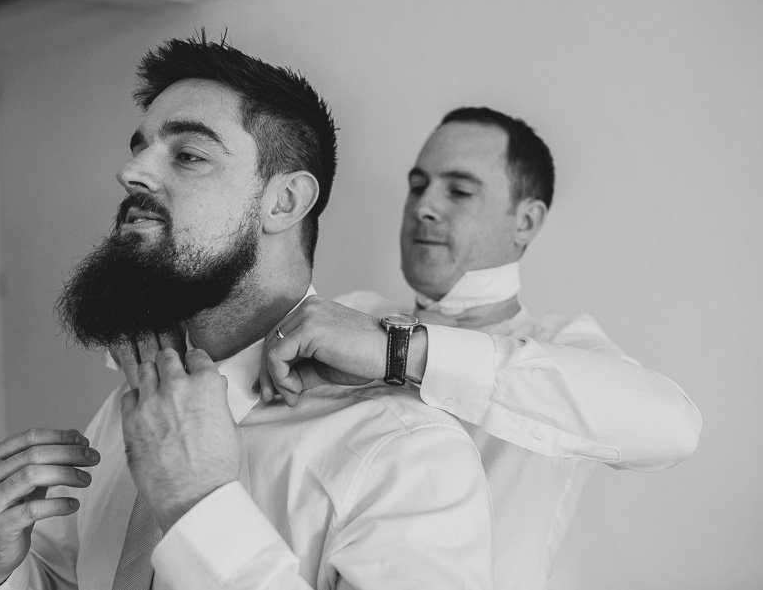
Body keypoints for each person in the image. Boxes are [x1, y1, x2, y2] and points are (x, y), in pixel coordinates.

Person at [0, 35, 493, 590]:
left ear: (283, 202)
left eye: (188, 155)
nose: (131, 172)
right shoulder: (135, 402)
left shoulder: (406, 455)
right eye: (140, 148)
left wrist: (198, 504)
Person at [257, 107, 703, 590]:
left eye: (459, 190)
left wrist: (399, 353)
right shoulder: (344, 316)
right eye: (418, 185)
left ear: (526, 222)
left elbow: (673, 426)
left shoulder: (564, 347)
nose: (424, 206)